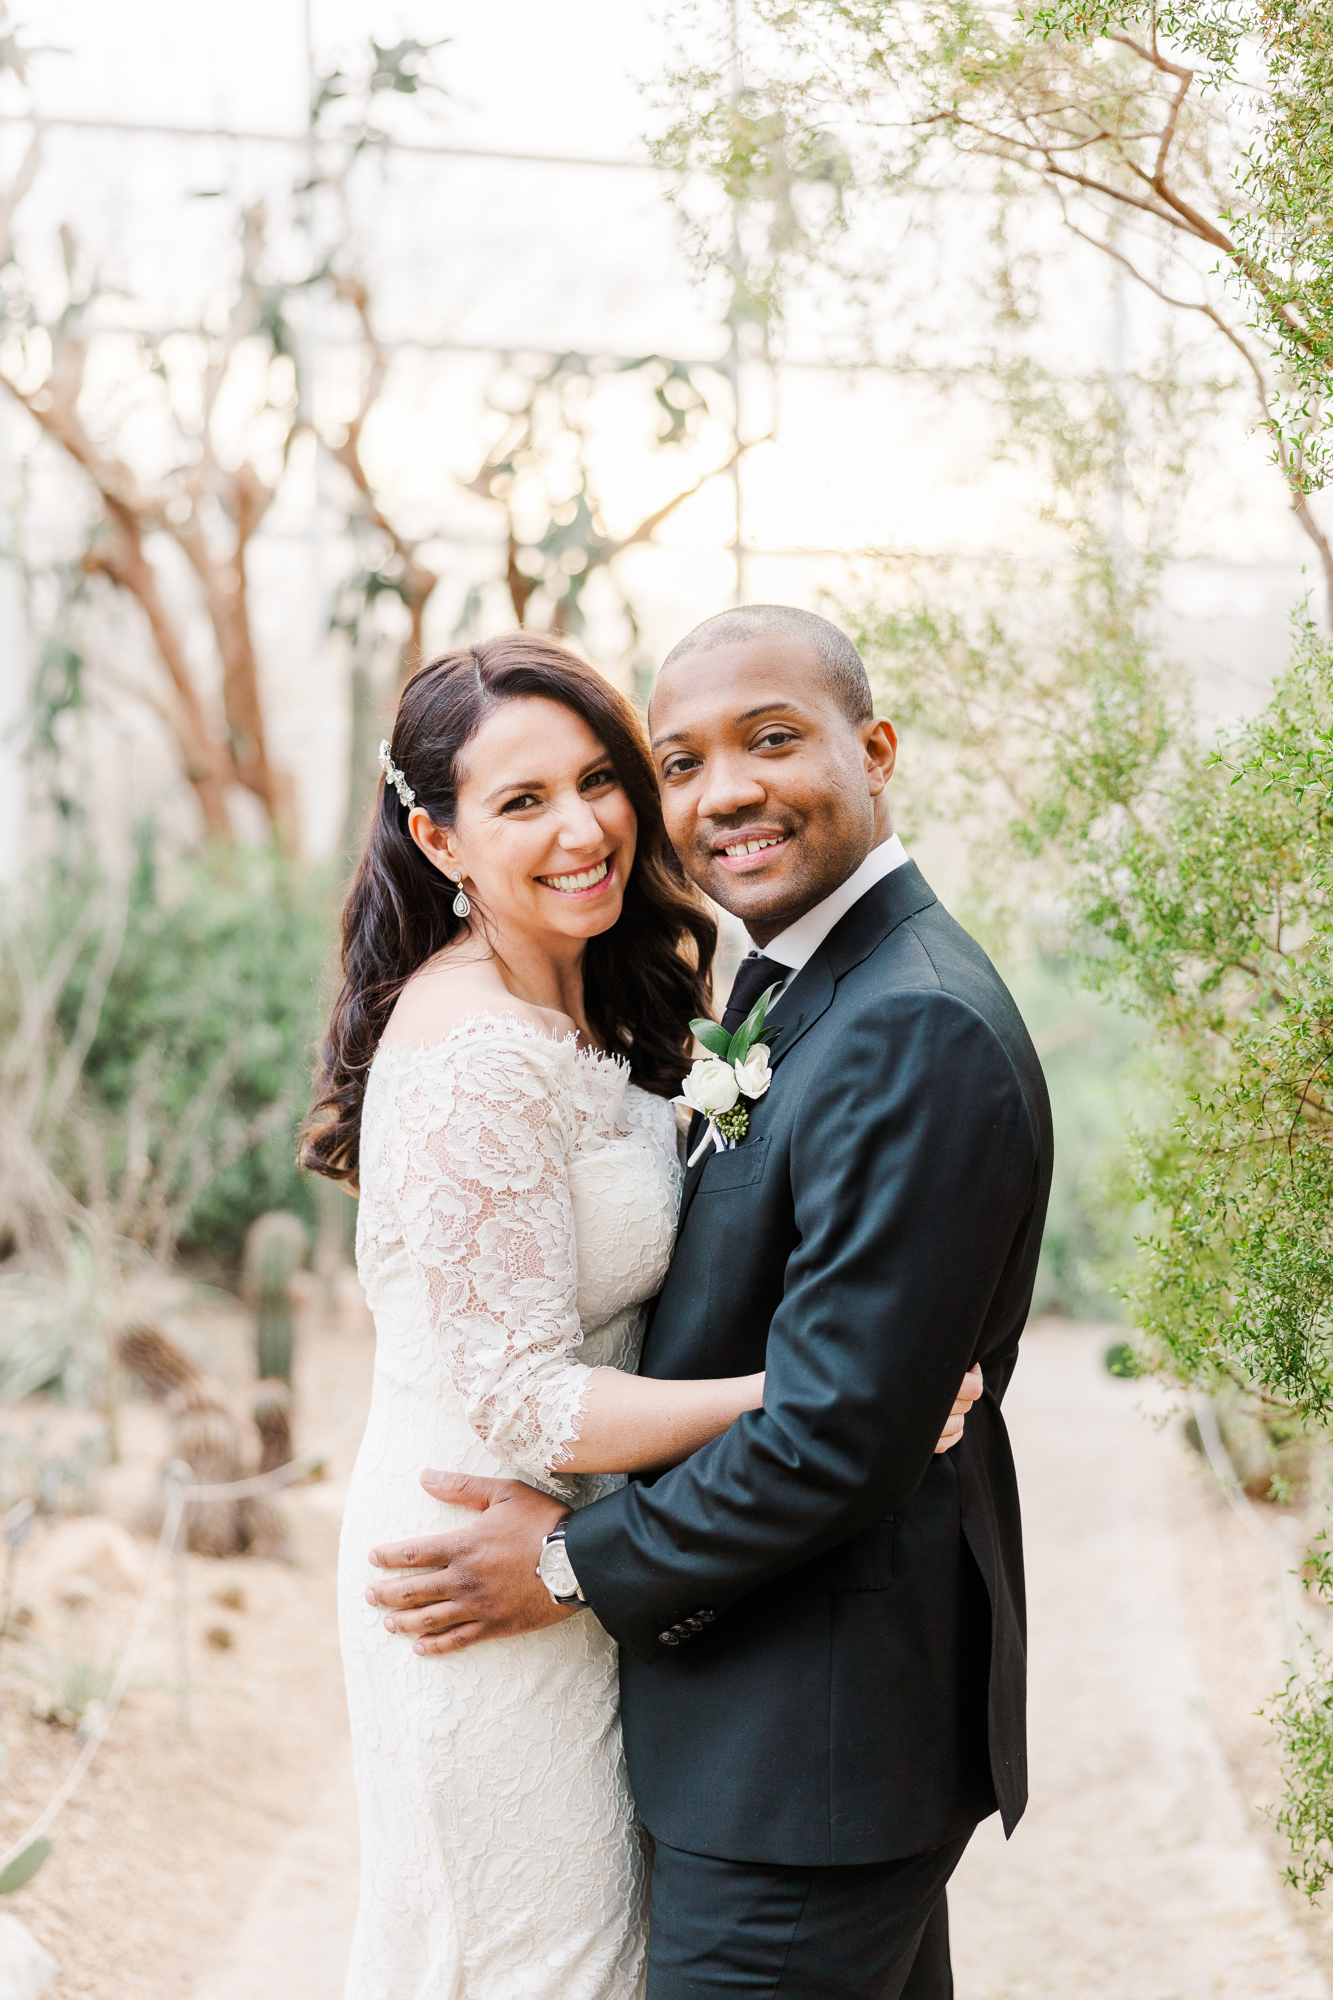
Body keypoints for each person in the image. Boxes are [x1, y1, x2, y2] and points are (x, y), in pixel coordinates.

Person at [366, 607, 1054, 2000]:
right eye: (676, 761)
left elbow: (839, 1434)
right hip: (754, 1713)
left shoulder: (904, 1019)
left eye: (772, 739)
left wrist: (569, 1562)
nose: (718, 792)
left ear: (875, 751)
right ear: (440, 840)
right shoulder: (792, 984)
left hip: (805, 1745)